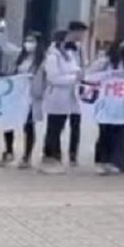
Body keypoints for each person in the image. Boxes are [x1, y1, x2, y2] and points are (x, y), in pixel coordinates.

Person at [0, 30, 44, 169]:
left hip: (31, 96)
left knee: (28, 126)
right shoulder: (20, 56)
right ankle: (9, 151)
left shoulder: (43, 60)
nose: (28, 44)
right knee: (9, 123)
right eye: (27, 41)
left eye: (32, 41)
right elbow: (5, 46)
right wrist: (1, 32)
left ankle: (26, 156)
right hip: (16, 95)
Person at [87, 41, 124, 175]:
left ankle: (118, 162)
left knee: (119, 133)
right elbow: (90, 75)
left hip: (121, 104)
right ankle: (102, 161)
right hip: (105, 103)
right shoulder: (103, 63)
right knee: (105, 132)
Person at [40, 30, 82, 174]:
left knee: (60, 127)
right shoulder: (52, 56)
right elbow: (53, 78)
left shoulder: (68, 55)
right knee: (53, 128)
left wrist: (77, 74)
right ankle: (49, 157)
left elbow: (75, 69)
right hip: (56, 96)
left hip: (68, 97)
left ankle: (56, 157)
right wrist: (73, 78)